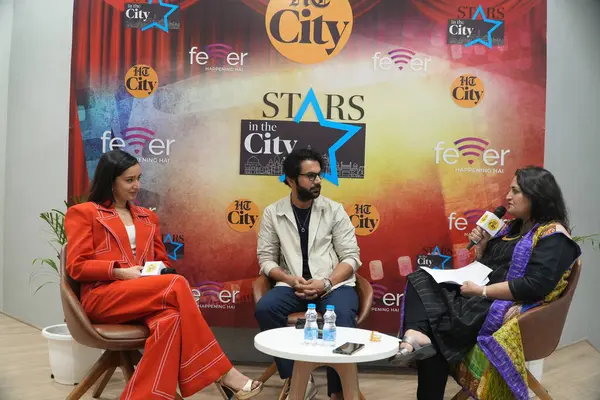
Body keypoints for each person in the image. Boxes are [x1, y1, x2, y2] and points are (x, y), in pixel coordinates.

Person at [64, 149, 262, 400]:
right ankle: (224, 372)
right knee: (177, 285)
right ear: (110, 180)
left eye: (139, 178)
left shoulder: (148, 217)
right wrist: (120, 272)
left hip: (143, 295)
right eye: (129, 180)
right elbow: (77, 266)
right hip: (103, 297)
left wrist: (158, 270)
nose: (137, 185)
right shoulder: (84, 213)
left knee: (170, 319)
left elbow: (163, 261)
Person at [390, 166, 581, 400]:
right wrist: (482, 248)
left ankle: (418, 338)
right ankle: (416, 334)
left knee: (435, 327)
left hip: (494, 305)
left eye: (515, 191)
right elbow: (493, 267)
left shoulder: (554, 236)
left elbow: (534, 285)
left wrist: (481, 291)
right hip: (478, 294)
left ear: (536, 195)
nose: (507, 197)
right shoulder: (514, 227)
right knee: (422, 278)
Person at [254, 148, 362, 400]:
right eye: (310, 176)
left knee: (343, 315)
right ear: (291, 180)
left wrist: (326, 282)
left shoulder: (334, 210)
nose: (318, 181)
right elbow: (266, 259)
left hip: (332, 285)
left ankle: (338, 389)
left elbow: (351, 256)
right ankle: (297, 377)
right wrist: (289, 279)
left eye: (319, 175)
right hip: (292, 287)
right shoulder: (273, 212)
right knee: (265, 309)